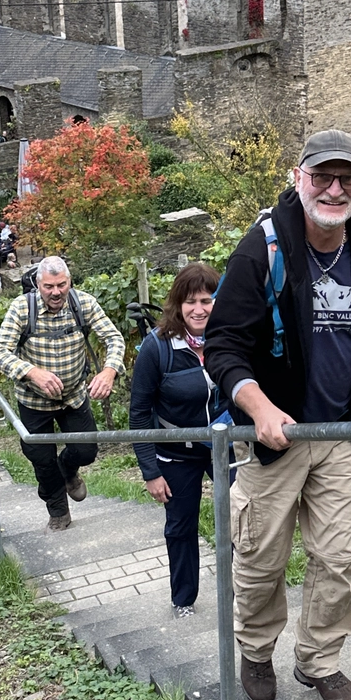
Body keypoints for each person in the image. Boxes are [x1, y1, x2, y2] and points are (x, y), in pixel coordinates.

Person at [205, 129, 351, 700]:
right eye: (322, 176)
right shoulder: (261, 250)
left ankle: (319, 660)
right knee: (261, 559)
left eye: (347, 178)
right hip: (274, 436)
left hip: (342, 432)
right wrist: (261, 409)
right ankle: (255, 651)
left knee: (338, 559)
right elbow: (223, 347)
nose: (334, 189)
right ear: (299, 178)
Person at [0, 256, 126, 530]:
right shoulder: (22, 308)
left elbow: (113, 338)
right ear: (38, 285)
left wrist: (109, 370)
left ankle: (67, 471)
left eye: (61, 285)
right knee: (41, 458)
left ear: (69, 282)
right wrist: (32, 372)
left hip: (73, 396)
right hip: (33, 400)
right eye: (49, 286)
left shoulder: (83, 303)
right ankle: (58, 510)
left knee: (86, 450)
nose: (56, 292)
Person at [129, 262, 224, 618]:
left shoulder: (230, 338)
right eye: (190, 302)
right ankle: (183, 601)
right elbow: (139, 413)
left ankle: (241, 593)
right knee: (181, 526)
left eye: (206, 300)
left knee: (241, 519)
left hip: (226, 448)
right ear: (177, 305)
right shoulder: (157, 348)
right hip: (176, 453)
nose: (199, 309)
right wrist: (150, 472)